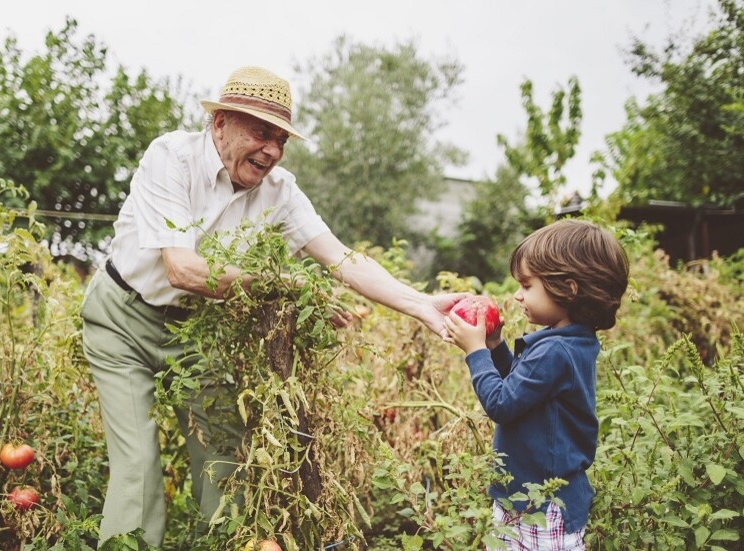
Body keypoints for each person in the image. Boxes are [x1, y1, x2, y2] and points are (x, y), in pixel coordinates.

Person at [80, 65, 468, 546]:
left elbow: (342, 258)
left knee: (225, 462)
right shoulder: (171, 158)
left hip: (200, 331)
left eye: (280, 138)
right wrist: (286, 285)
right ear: (220, 122)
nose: (272, 150)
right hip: (122, 319)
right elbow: (182, 269)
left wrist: (421, 303)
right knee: (137, 466)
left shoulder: (280, 191)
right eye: (261, 133)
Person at [444, 219, 629, 550]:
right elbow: (521, 389)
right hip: (526, 497)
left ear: (569, 289)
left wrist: (475, 351)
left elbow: (502, 404)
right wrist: (495, 345)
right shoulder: (567, 342)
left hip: (542, 505)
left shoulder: (556, 349)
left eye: (527, 286)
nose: (517, 295)